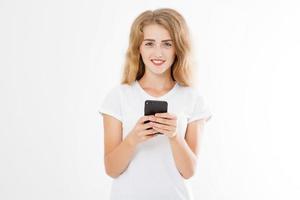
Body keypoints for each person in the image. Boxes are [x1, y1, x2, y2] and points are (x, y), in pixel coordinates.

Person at [98, 8, 212, 200]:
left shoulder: (193, 99)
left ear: (178, 49)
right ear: (138, 48)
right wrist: (134, 138)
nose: (158, 52)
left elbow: (189, 171)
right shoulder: (118, 96)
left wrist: (175, 136)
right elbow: (111, 169)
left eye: (167, 44)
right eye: (149, 43)